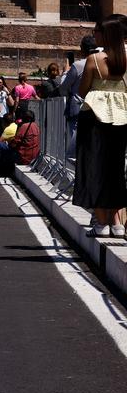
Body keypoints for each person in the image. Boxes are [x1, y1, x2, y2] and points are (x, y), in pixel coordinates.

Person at [74, 15, 127, 239]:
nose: (94, 34)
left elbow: (82, 91)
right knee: (115, 169)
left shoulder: (94, 59)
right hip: (122, 117)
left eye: (98, 30)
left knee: (92, 168)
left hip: (94, 118)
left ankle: (101, 223)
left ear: (107, 34)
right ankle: (117, 223)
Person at [60, 35, 98, 160]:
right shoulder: (102, 63)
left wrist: (65, 72)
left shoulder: (78, 65)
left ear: (82, 49)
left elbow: (64, 87)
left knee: (75, 141)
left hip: (78, 105)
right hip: (96, 106)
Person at [0, 108, 39, 178]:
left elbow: (15, 142)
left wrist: (10, 143)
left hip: (24, 156)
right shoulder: (36, 126)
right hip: (34, 156)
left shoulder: (24, 127)